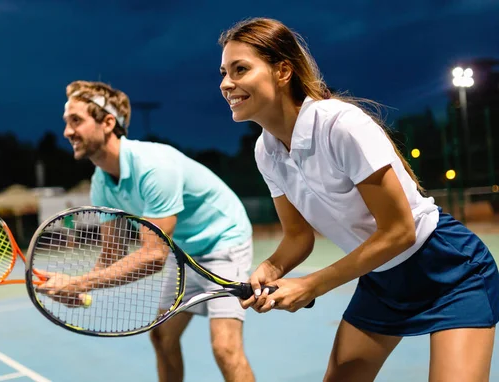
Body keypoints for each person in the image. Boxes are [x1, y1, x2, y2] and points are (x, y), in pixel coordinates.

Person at [218, 17, 499, 382]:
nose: (226, 83)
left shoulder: (340, 125)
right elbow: (297, 237)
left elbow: (400, 232)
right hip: (382, 281)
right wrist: (270, 269)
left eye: (240, 69)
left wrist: (311, 284)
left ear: (282, 71)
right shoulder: (265, 151)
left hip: (450, 271)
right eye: (224, 71)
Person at [57, 80, 256, 382]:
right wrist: (78, 287)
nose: (67, 132)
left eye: (76, 121)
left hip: (224, 239)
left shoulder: (154, 166)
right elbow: (112, 253)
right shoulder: (101, 182)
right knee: (162, 337)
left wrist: (80, 282)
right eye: (66, 122)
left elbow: (153, 257)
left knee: (225, 348)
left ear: (108, 122)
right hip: (186, 251)